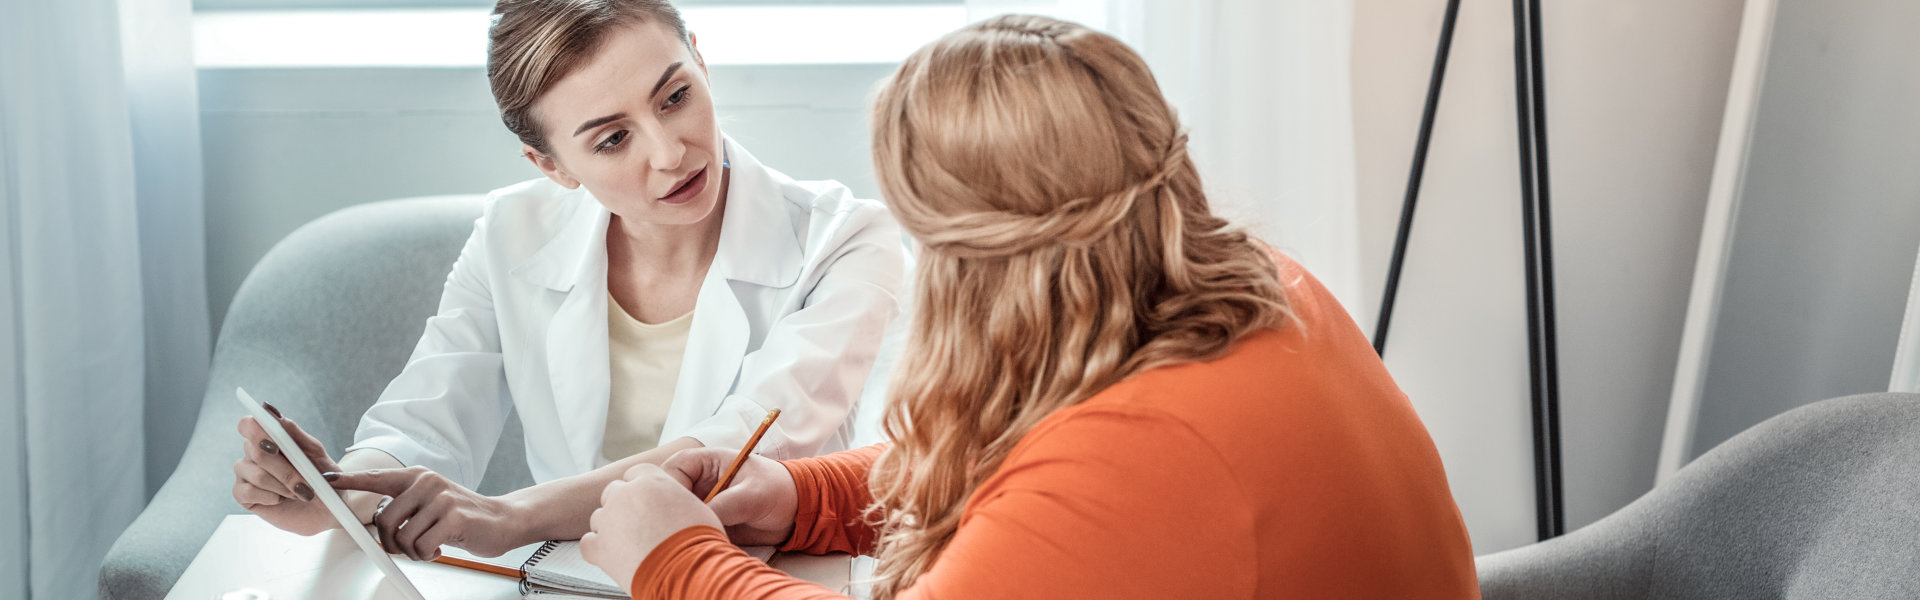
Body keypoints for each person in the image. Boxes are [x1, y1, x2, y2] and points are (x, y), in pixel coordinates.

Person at [573, 14, 1480, 599]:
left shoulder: (1145, 453)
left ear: (982, 259)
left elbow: (1070, 491)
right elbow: (1029, 465)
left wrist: (679, 564)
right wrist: (800, 495)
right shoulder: (1251, 285)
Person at [232, 0, 909, 561]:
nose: (670, 153)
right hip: (568, 577)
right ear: (551, 164)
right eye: (613, 140)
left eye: (675, 96)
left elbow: (725, 456)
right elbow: (427, 421)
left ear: (700, 60)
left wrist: (509, 515)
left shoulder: (847, 240)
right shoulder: (509, 234)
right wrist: (339, 493)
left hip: (753, 578)